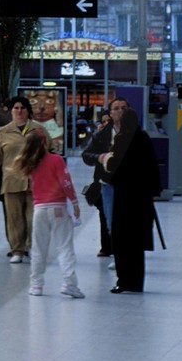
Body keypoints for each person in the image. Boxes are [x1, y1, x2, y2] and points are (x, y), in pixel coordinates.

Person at [13, 126, 83, 297]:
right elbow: (65, 182)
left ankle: (36, 285)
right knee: (64, 246)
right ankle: (69, 283)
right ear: (45, 142)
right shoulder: (56, 160)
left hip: (39, 210)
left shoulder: (30, 164)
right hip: (58, 208)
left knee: (38, 248)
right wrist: (74, 203)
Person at [100, 98, 160, 294]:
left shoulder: (123, 139)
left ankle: (125, 280)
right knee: (136, 243)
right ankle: (135, 282)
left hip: (125, 198)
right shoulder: (142, 137)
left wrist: (107, 164)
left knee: (123, 239)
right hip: (140, 199)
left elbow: (116, 168)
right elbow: (152, 167)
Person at [0, 96, 40, 263]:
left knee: (32, 219)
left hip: (34, 182)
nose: (19, 111)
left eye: (22, 108)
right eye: (16, 108)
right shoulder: (4, 132)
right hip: (11, 181)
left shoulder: (38, 131)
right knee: (14, 219)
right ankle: (17, 250)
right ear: (12, 111)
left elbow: (49, 155)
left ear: (28, 111)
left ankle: (31, 246)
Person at [81, 108, 114, 257]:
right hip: (102, 181)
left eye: (109, 121)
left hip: (118, 182)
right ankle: (106, 246)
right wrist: (99, 157)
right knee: (104, 214)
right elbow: (87, 154)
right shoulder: (99, 137)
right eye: (103, 121)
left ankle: (118, 246)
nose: (106, 124)